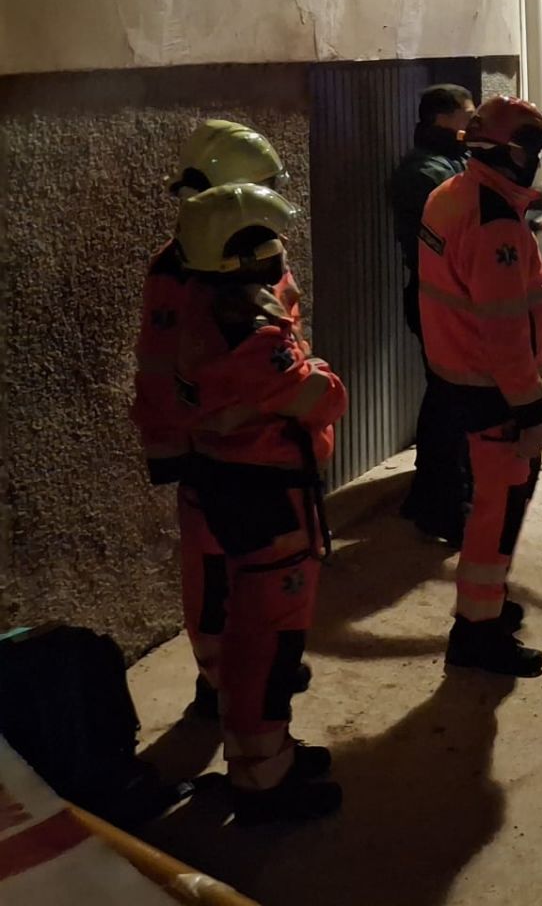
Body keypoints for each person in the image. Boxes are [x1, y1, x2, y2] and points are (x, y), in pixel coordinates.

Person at [171, 183, 346, 824]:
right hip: (269, 498)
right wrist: (318, 371)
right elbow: (322, 397)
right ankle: (264, 781)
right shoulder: (251, 336)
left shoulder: (196, 306)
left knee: (251, 634)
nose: (279, 254)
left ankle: (264, 758)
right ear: (238, 254)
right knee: (270, 645)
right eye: (268, 243)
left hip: (231, 487)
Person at [131, 120, 310, 723]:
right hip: (217, 451)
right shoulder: (183, 272)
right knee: (215, 575)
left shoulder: (244, 251)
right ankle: (220, 681)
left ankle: (257, 667)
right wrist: (171, 448)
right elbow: (161, 370)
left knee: (259, 577)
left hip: (267, 443)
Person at [418, 96, 542, 677]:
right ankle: (476, 631)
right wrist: (531, 410)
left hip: (457, 374)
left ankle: (487, 603)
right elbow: (504, 333)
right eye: (535, 155)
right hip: (494, 388)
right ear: (514, 155)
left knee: (491, 502)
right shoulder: (494, 223)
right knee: (499, 506)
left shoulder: (450, 195)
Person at [388, 84, 474, 544]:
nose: (471, 124)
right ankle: (442, 506)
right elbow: (463, 221)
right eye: (467, 115)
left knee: (449, 398)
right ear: (444, 119)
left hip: (453, 299)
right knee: (450, 401)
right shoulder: (422, 173)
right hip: (435, 299)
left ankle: (432, 496)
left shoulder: (451, 163)